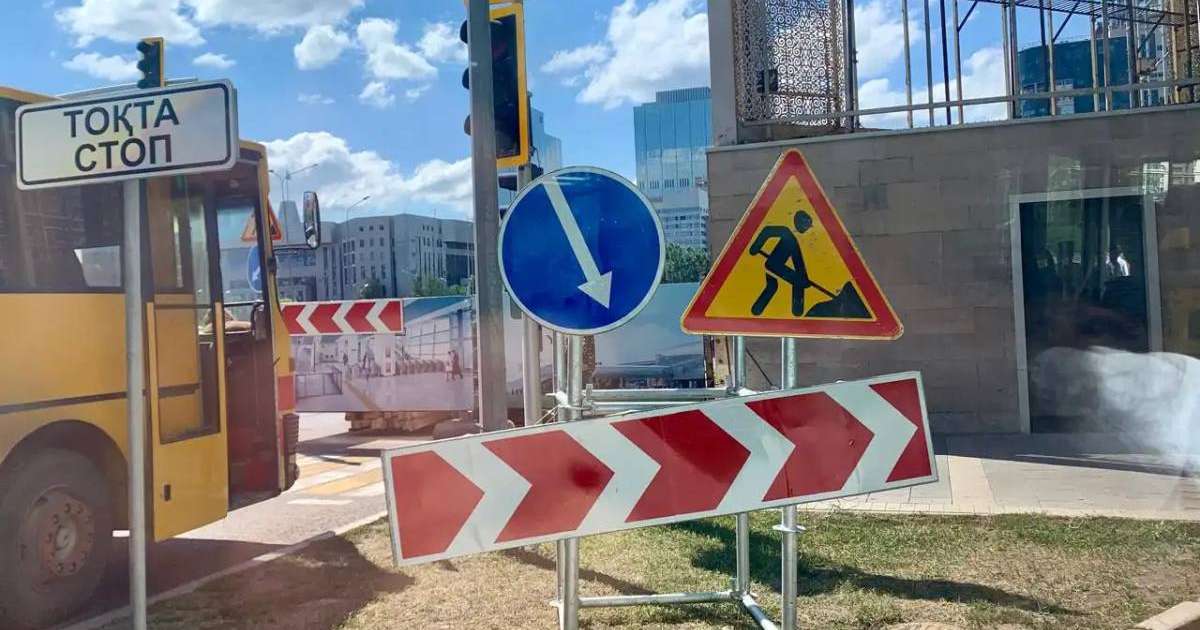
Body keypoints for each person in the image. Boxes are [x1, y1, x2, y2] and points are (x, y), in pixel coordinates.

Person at [748, 210, 814, 316]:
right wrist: (755, 247)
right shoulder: (786, 233)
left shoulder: (793, 241)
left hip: (776, 267)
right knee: (778, 285)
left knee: (774, 286)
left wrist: (804, 278)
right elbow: (767, 231)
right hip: (773, 265)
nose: (807, 229)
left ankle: (797, 311)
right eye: (806, 225)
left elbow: (798, 263)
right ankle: (797, 310)